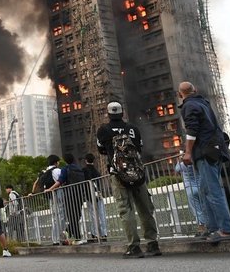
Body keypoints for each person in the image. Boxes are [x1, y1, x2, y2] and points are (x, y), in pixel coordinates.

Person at [96, 101, 161, 258]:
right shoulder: (133, 128)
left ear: (109, 113)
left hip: (118, 174)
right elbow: (139, 147)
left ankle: (134, 246)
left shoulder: (103, 130)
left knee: (126, 209)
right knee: (145, 208)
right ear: (122, 112)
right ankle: (153, 244)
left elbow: (101, 150)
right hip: (138, 174)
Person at [179, 81, 230, 242]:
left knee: (213, 191)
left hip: (205, 152)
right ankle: (212, 228)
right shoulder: (203, 103)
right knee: (205, 190)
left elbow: (192, 130)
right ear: (194, 90)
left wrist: (188, 152)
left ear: (180, 94)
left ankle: (226, 229)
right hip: (215, 150)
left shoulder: (189, 106)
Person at [31, 154, 66, 245]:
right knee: (61, 216)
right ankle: (59, 238)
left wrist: (33, 193)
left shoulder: (44, 171)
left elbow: (36, 183)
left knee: (54, 217)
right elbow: (61, 181)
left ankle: (55, 239)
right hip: (58, 194)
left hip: (49, 196)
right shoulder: (58, 170)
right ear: (56, 162)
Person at [174, 153, 207, 237]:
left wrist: (179, 160)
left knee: (196, 210)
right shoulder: (196, 163)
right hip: (200, 187)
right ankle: (209, 227)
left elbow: (176, 171)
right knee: (204, 207)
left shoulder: (182, 165)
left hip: (190, 189)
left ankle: (201, 228)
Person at [58, 153, 86, 244]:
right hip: (79, 194)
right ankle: (70, 232)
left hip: (69, 195)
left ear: (65, 160)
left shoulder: (65, 169)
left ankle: (75, 236)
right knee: (77, 215)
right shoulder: (78, 168)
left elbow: (60, 181)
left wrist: (50, 189)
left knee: (72, 216)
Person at [82, 153, 108, 241]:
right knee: (101, 214)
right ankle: (104, 234)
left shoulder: (85, 170)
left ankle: (95, 234)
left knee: (93, 215)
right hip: (99, 194)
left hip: (90, 195)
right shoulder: (97, 171)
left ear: (86, 160)